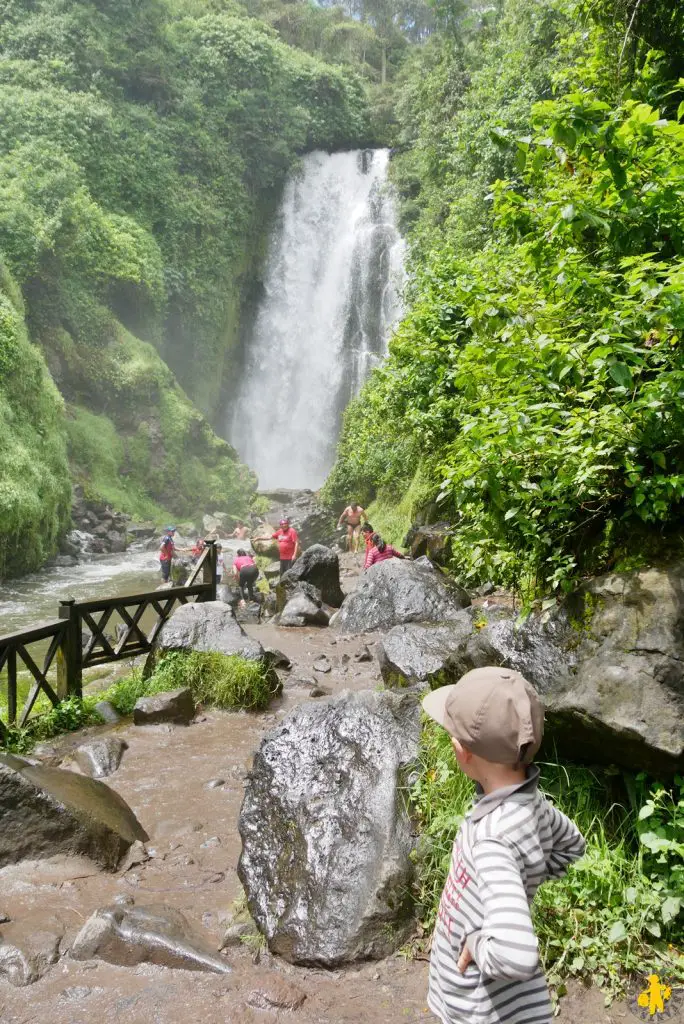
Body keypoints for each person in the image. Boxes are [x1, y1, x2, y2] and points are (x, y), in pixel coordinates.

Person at [422, 668, 586, 1024]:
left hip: (484, 1006)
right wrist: (525, 878)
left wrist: (478, 943)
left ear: (461, 750)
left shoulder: (493, 839)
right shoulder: (530, 801)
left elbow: (515, 954)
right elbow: (573, 844)